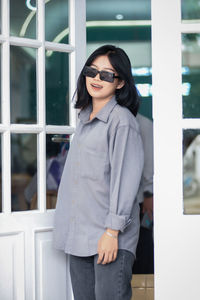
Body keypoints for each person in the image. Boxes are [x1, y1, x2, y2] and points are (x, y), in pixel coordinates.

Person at [53, 44, 144, 300]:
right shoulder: (83, 119)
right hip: (79, 236)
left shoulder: (121, 121)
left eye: (106, 74)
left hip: (108, 237)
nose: (96, 78)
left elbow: (125, 181)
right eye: (92, 71)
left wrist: (112, 232)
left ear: (120, 83)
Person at [133, 113, 154, 274]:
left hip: (141, 198)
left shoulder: (143, 124)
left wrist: (149, 193)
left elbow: (149, 161)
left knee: (143, 242)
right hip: (125, 199)